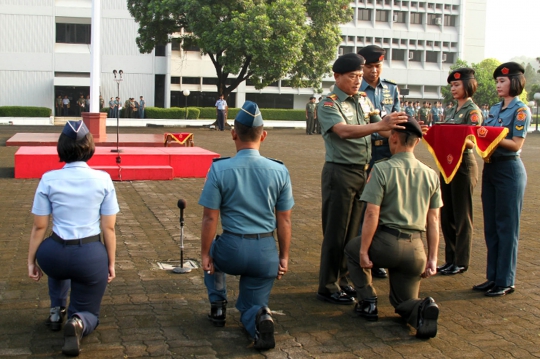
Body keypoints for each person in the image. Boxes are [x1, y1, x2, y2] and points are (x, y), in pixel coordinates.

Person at [200, 101, 294, 350]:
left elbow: (210, 218)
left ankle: (218, 306)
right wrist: (282, 257)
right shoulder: (279, 170)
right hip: (265, 252)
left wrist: (204, 254)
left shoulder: (219, 169)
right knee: (251, 304)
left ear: (233, 134)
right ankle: (259, 317)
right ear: (264, 135)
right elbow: (284, 219)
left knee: (213, 258)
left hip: (231, 248)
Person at [316, 52, 407, 305]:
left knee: (352, 233)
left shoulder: (363, 100)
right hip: (340, 172)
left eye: (359, 76)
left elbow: (383, 125)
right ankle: (328, 285)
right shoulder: (328, 104)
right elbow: (343, 132)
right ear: (337, 77)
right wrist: (380, 126)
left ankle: (345, 280)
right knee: (335, 232)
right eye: (352, 76)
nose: (357, 81)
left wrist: (405, 126)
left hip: (362, 171)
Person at [344, 115, 442, 339]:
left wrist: (363, 250)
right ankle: (421, 308)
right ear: (417, 142)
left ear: (394, 138)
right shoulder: (430, 175)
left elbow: (371, 213)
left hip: (385, 243)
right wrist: (433, 258)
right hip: (416, 249)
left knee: (351, 249)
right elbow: (434, 220)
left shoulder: (381, 169)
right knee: (402, 303)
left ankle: (368, 300)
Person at [27, 120, 119, 356]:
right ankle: (78, 322)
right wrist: (110, 262)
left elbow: (39, 227)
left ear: (61, 147)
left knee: (57, 263)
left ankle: (57, 310)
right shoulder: (103, 179)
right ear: (90, 147)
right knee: (90, 312)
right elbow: (108, 229)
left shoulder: (48, 179)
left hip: (54, 253)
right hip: (89, 255)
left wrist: (31, 262)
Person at [473, 62, 531, 296]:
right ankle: (493, 277)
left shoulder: (521, 110)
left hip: (509, 170)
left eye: (502, 81)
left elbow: (516, 143)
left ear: (515, 82)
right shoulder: (495, 110)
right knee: (492, 226)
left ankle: (506, 280)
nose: (498, 85)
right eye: (497, 81)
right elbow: (484, 136)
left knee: (507, 227)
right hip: (491, 168)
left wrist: (488, 136)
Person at [357, 45, 405, 279]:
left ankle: (381, 257)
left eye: (377, 66)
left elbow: (398, 119)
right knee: (366, 207)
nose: (374, 71)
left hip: (388, 152)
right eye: (369, 66)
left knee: (386, 207)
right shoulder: (357, 89)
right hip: (366, 152)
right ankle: (362, 254)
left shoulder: (391, 89)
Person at [437, 68, 482, 276]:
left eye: (457, 85)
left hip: (463, 165)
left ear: (468, 85)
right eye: (452, 86)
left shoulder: (472, 111)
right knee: (447, 214)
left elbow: (473, 142)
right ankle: (450, 258)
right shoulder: (453, 110)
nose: (453, 89)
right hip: (447, 164)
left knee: (462, 215)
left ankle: (461, 261)